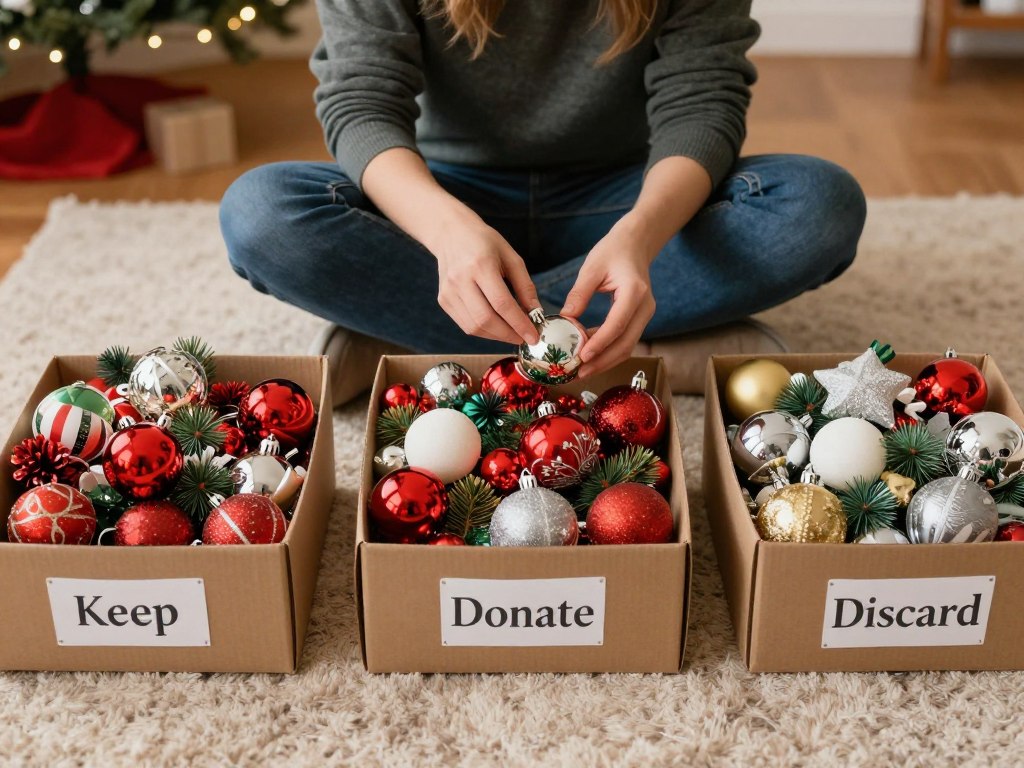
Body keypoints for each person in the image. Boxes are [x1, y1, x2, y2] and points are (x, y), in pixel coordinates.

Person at [220, 0, 866, 406]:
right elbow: (362, 101)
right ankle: (634, 353)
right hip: (442, 201)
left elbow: (703, 100)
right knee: (261, 214)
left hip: (622, 199)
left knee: (819, 204)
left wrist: (642, 235)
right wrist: (447, 234)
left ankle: (410, 345)